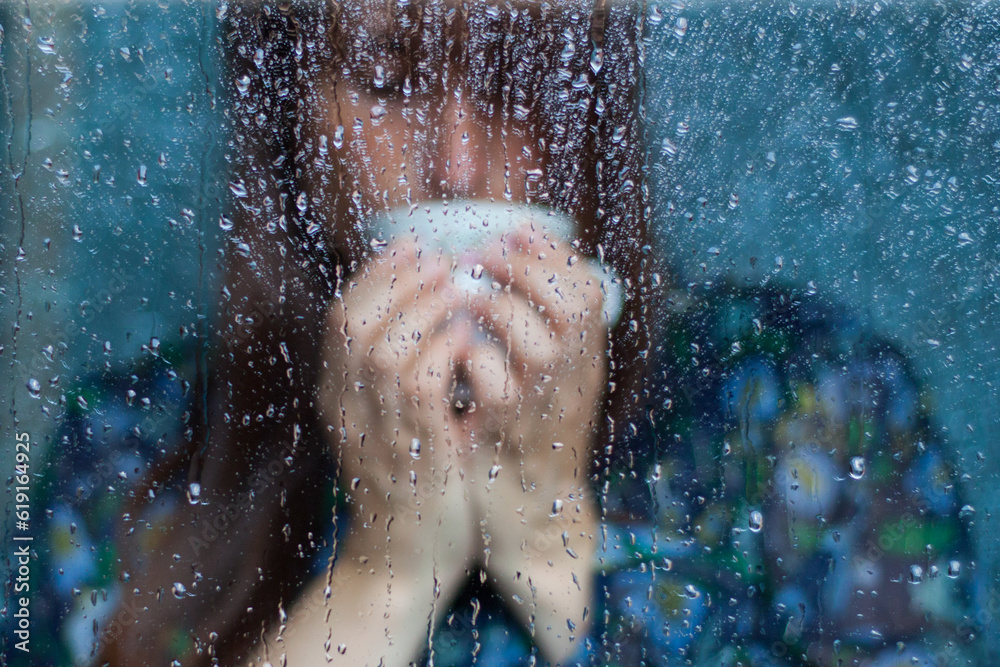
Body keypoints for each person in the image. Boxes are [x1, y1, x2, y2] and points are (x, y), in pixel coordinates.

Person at [31, 1, 980, 666]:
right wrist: (387, 568)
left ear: (598, 103)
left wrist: (551, 541)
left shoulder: (811, 406)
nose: (459, 163)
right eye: (386, 76)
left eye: (522, 79)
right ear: (289, 111)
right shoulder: (125, 453)